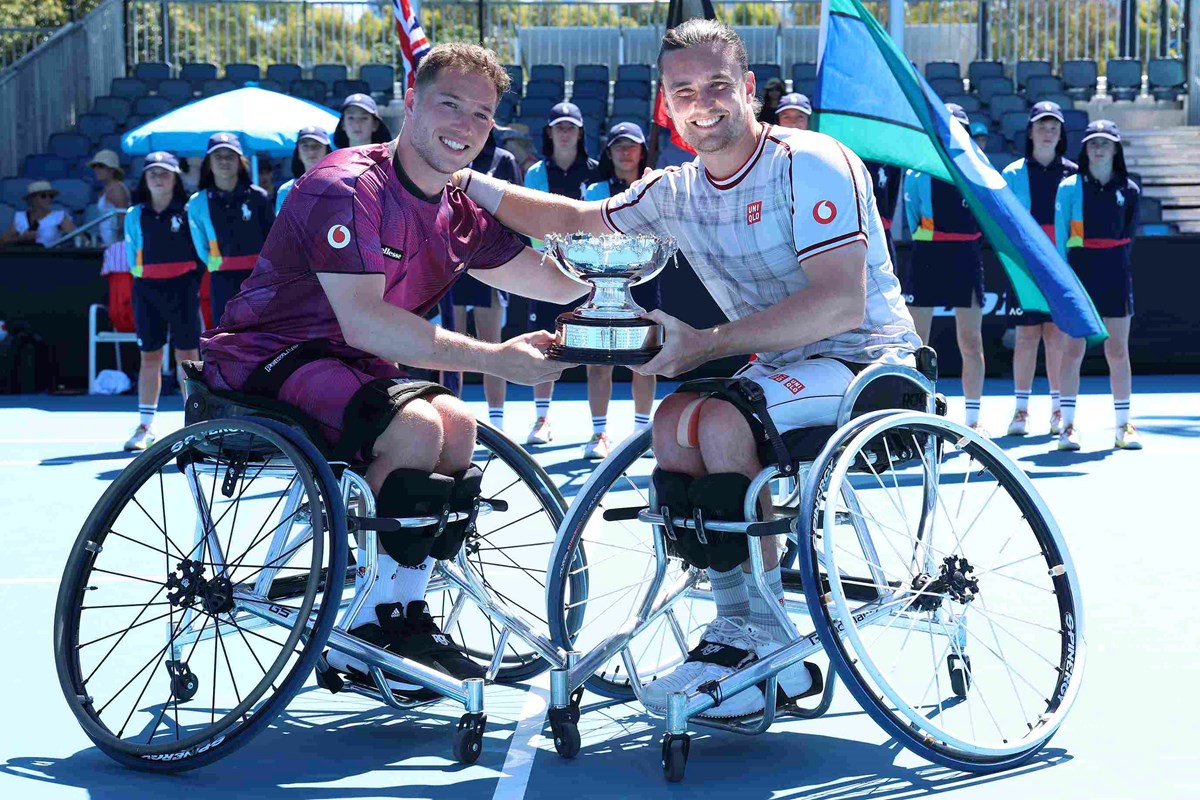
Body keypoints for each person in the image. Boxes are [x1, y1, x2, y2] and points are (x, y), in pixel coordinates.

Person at [455, 19, 919, 718]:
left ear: (750, 89)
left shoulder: (812, 161)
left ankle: (769, 642)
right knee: (674, 420)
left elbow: (840, 302)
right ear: (666, 105)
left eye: (717, 85)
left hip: (869, 363)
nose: (702, 102)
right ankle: (738, 628)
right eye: (683, 90)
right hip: (784, 368)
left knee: (726, 416)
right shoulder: (675, 191)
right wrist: (464, 182)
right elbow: (578, 220)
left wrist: (709, 342)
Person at [199, 43, 585, 690]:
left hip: (350, 366)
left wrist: (622, 288)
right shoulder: (344, 187)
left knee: (457, 424)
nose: (465, 127)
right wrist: (496, 358)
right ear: (409, 102)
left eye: (482, 116)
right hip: (266, 358)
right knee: (416, 431)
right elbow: (366, 322)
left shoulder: (459, 211)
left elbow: (545, 279)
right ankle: (359, 631)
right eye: (450, 105)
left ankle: (398, 612)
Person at [1054, 120, 1142, 451]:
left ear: (1116, 149)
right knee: (1073, 350)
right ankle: (1068, 426)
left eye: (1105, 143)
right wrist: (1065, 284)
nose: (1099, 148)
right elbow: (1061, 239)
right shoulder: (1069, 187)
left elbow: (1130, 236)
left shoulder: (1130, 190)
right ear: (1085, 149)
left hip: (1116, 276)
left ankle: (1123, 427)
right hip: (1078, 276)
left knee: (1118, 351)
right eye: (1093, 143)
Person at [903, 104, 987, 433]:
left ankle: (975, 420)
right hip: (927, 257)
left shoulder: (978, 172)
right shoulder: (917, 171)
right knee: (917, 345)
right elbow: (913, 221)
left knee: (971, 341)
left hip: (966, 258)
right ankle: (917, 415)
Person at [520, 101, 600, 445]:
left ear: (580, 132)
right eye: (559, 127)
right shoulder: (535, 173)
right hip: (549, 271)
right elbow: (531, 223)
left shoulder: (597, 171)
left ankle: (600, 430)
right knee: (546, 345)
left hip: (593, 274)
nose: (565, 133)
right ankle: (541, 419)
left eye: (571, 127)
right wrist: (554, 261)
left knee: (598, 350)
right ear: (549, 132)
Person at [580, 122, 660, 460]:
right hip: (602, 287)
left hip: (648, 284)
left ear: (642, 151)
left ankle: (641, 431)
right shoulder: (594, 190)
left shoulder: (656, 187)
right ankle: (599, 433)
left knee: (645, 361)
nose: (625, 152)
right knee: (599, 364)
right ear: (609, 152)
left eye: (632, 146)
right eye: (618, 146)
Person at [1001, 102, 1078, 437]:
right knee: (1027, 336)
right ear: (1030, 131)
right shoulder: (1012, 173)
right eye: (1042, 126)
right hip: (1025, 267)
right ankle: (1021, 411)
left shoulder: (1074, 174)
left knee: (1056, 336)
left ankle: (1059, 410)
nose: (1048, 132)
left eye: (1054, 127)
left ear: (1060, 135)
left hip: (1061, 268)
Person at [446, 127, 526, 432]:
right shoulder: (450, 155)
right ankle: (454, 424)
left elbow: (515, 212)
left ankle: (497, 426)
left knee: (492, 346)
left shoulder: (503, 159)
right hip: (449, 263)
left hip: (488, 264)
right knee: (452, 350)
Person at [122, 152, 203, 450]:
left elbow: (201, 253)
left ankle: (196, 426)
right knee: (150, 357)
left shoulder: (189, 210)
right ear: (144, 179)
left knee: (187, 357)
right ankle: (145, 426)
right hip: (146, 291)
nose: (158, 178)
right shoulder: (134, 214)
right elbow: (133, 258)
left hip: (182, 289)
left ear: (175, 179)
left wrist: (189, 280)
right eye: (153, 173)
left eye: (165, 173)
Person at [186, 132, 275, 327]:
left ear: (240, 161)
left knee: (260, 336)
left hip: (256, 280)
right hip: (220, 280)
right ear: (209, 162)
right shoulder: (197, 202)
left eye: (230, 156)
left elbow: (272, 240)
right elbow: (200, 246)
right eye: (218, 156)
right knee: (226, 337)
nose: (224, 161)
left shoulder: (258, 197)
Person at [89, 150, 135, 334]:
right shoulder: (109, 188)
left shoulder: (116, 188)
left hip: (116, 246)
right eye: (95, 166)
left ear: (111, 170)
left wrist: (116, 244)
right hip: (111, 244)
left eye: (100, 166)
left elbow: (123, 219)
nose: (96, 170)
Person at [0, 180, 75, 248]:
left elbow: (78, 237)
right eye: (43, 196)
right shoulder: (21, 217)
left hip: (50, 258)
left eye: (51, 196)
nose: (48, 199)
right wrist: (21, 238)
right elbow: (2, 242)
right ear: (32, 199)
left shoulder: (59, 217)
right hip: (25, 258)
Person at [276, 127, 333, 214]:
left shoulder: (340, 186)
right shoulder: (286, 191)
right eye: (305, 146)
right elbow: (283, 226)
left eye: (317, 146)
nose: (311, 151)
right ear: (298, 152)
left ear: (327, 151)